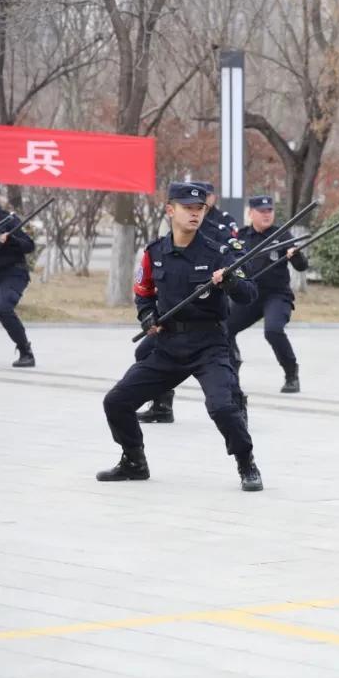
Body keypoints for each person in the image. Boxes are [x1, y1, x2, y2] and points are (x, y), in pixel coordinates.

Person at [98, 182, 264, 491]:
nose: (194, 214)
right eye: (187, 208)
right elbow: (143, 293)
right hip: (168, 346)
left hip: (209, 344)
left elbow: (249, 293)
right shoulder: (154, 253)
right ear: (170, 210)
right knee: (116, 402)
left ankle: (246, 462)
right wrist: (148, 317)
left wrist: (229, 282)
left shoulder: (220, 251)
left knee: (224, 408)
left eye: (199, 209)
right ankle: (134, 461)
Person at [226, 195, 308, 393]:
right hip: (250, 294)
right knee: (223, 328)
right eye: (262, 211)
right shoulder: (242, 237)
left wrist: (295, 255)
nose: (266, 215)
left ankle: (291, 373)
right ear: (250, 213)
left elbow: (302, 266)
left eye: (269, 211)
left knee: (273, 330)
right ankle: (232, 364)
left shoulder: (282, 234)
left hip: (277, 295)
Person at [0, 202, 34, 367]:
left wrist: (10, 239)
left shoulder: (8, 220)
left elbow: (29, 246)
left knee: (3, 307)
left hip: (13, 273)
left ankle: (25, 351)